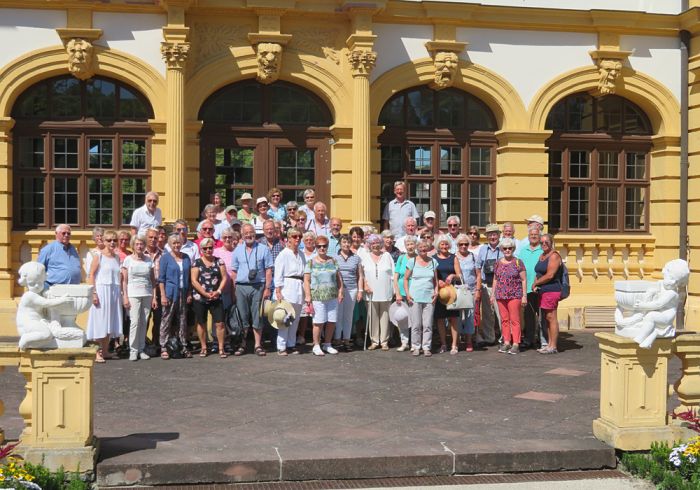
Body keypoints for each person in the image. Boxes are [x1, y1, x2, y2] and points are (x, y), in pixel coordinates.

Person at [230, 223, 273, 356]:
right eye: (246, 233)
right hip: (241, 287)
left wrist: (267, 288)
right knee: (242, 316)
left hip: (258, 287)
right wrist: (234, 289)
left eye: (251, 232)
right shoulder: (237, 250)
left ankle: (257, 345)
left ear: (255, 233)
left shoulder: (263, 249)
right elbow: (234, 272)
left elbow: (268, 270)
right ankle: (242, 344)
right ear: (242, 235)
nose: (249, 235)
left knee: (257, 316)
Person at [304, 234, 344, 356]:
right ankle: (316, 345)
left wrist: (341, 291)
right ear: (315, 247)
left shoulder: (333, 261)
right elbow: (306, 280)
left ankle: (327, 344)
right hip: (318, 296)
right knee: (319, 322)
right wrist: (308, 296)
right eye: (319, 246)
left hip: (332, 295)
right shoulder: (311, 262)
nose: (322, 248)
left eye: (324, 246)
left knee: (332, 321)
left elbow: (338, 278)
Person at [87, 230, 122, 363]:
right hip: (101, 290)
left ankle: (106, 351)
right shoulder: (98, 256)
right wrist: (94, 293)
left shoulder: (117, 257)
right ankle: (97, 352)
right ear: (104, 241)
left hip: (113, 290)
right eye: (109, 240)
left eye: (114, 240)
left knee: (109, 321)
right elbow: (91, 275)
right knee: (99, 321)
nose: (112, 243)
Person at [121, 234, 157, 361]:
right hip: (133, 294)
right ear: (133, 245)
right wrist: (125, 296)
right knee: (134, 322)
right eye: (137, 244)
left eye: (141, 244)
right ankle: (133, 350)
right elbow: (124, 281)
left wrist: (154, 297)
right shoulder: (128, 260)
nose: (139, 246)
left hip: (147, 293)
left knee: (144, 322)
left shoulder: (148, 260)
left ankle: (141, 349)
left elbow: (153, 281)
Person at [191, 237, 228, 358]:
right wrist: (204, 293)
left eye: (210, 248)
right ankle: (203, 347)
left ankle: (221, 348)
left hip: (216, 296)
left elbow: (224, 278)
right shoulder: (197, 262)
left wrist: (218, 291)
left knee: (220, 323)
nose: (208, 250)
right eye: (205, 248)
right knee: (201, 323)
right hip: (200, 297)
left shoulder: (219, 261)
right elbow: (194, 280)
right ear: (201, 249)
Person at [158, 233, 193, 359]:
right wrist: (162, 295)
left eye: (178, 243)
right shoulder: (165, 258)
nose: (177, 245)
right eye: (174, 243)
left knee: (182, 320)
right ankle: (164, 346)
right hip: (170, 293)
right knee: (166, 320)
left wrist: (189, 292)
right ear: (170, 244)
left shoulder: (186, 257)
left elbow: (189, 278)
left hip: (183, 292)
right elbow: (161, 279)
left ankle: (182, 345)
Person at [404, 238, 438, 357]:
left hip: (429, 297)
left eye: (425, 247)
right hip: (415, 297)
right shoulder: (412, 261)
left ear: (428, 248)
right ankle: (416, 346)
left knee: (428, 324)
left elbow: (435, 280)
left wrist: (436, 292)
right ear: (417, 249)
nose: (423, 249)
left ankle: (426, 347)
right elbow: (405, 279)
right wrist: (407, 294)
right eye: (420, 247)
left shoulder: (433, 262)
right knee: (416, 324)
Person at [492, 237, 527, 355]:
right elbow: (495, 279)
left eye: (510, 248)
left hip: (514, 295)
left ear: (513, 248)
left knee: (515, 320)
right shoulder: (498, 263)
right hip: (501, 295)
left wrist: (524, 296)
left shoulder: (518, 262)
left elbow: (523, 280)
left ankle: (516, 343)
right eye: (505, 248)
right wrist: (492, 295)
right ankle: (507, 342)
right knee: (504, 320)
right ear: (501, 249)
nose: (507, 250)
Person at [274, 228, 305, 355]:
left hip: (299, 287)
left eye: (299, 236)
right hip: (287, 287)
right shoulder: (283, 254)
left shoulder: (301, 254)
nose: (297, 239)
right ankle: (281, 346)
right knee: (285, 318)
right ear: (289, 238)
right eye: (294, 236)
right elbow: (278, 273)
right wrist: (278, 290)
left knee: (296, 319)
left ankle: (291, 344)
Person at [362, 234, 395, 350]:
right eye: (373, 243)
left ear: (381, 244)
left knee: (385, 317)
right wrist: (365, 285)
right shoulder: (365, 257)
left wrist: (394, 290)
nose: (375, 245)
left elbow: (393, 274)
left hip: (386, 291)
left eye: (377, 243)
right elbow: (361, 274)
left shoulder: (387, 255)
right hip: (370, 292)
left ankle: (384, 341)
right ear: (370, 245)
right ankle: (375, 341)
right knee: (372, 317)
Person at [532, 234, 563, 354]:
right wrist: (536, 283)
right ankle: (549, 344)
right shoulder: (543, 256)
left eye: (546, 242)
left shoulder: (554, 256)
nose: (544, 244)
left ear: (551, 243)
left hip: (552, 290)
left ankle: (553, 346)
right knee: (547, 318)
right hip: (543, 290)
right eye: (542, 242)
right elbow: (538, 272)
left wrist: (535, 284)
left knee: (552, 317)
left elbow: (550, 275)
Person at [434, 234, 464, 354]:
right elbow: (431, 275)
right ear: (438, 245)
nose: (444, 246)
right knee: (440, 319)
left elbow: (459, 275)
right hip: (440, 293)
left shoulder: (453, 257)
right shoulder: (434, 258)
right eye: (442, 244)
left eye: (446, 244)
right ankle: (443, 344)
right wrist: (437, 280)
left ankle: (454, 345)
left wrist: (453, 275)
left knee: (453, 319)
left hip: (452, 293)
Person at [334, 234, 364, 352]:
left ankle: (346, 339)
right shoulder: (334, 257)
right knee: (338, 314)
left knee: (348, 315)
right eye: (344, 242)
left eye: (348, 242)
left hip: (352, 289)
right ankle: (337, 338)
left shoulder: (356, 258)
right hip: (338, 289)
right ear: (340, 244)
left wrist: (360, 290)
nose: (346, 244)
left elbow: (360, 275)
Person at [516, 225, 543, 350]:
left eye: (535, 234)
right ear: (528, 236)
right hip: (526, 288)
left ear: (539, 236)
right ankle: (529, 339)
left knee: (542, 315)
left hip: (540, 287)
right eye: (531, 235)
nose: (533, 236)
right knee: (528, 316)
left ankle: (543, 339)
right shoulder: (523, 251)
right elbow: (518, 269)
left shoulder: (543, 250)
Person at [476, 223, 503, 346]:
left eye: (495, 234)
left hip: (500, 286)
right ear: (487, 236)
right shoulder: (483, 249)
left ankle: (505, 337)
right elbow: (478, 267)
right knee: (487, 313)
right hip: (486, 285)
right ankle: (489, 337)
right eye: (490, 235)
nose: (492, 237)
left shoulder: (504, 248)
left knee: (501, 313)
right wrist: (479, 285)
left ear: (498, 235)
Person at [455, 233, 479, 352]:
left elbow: (478, 274)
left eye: (466, 244)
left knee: (470, 316)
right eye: (461, 244)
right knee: (458, 316)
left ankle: (469, 340)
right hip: (458, 290)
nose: (463, 246)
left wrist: (478, 290)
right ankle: (458, 340)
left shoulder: (473, 256)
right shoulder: (454, 257)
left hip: (471, 290)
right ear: (457, 245)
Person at [37, 224, 81, 288]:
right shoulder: (48, 249)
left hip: (73, 288)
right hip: (54, 288)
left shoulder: (73, 249)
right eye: (64, 233)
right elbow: (39, 270)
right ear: (56, 234)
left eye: (68, 233)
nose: (66, 235)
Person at [393, 235, 417, 351]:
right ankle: (404, 342)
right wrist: (397, 293)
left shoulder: (419, 258)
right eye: (408, 244)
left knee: (415, 318)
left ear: (415, 245)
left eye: (412, 244)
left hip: (415, 292)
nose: (410, 246)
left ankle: (414, 342)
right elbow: (396, 276)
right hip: (402, 292)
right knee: (403, 317)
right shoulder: (401, 258)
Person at [144, 227, 163, 347]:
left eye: (155, 238)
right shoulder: (140, 253)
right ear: (146, 238)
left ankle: (155, 344)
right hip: (144, 289)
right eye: (150, 237)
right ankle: (143, 343)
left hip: (159, 290)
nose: (153, 240)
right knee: (144, 319)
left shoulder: (163, 253)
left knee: (158, 319)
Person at [297, 231, 317, 344]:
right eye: (306, 240)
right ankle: (301, 335)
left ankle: (317, 337)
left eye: (311, 239)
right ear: (303, 241)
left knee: (316, 311)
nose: (309, 241)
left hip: (315, 284)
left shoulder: (317, 253)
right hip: (303, 284)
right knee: (304, 312)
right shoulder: (300, 253)